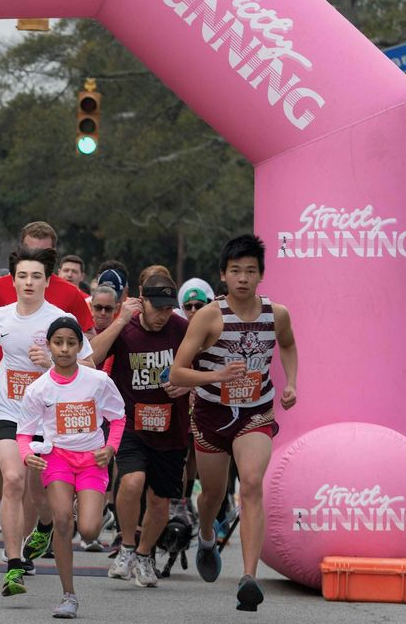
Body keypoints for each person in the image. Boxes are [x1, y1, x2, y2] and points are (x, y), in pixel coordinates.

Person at [171, 234, 298, 612]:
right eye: (236, 271)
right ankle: (206, 535)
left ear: (261, 275)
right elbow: (177, 373)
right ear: (223, 275)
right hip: (211, 415)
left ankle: (248, 578)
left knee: (252, 485)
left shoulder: (277, 314)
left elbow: (288, 344)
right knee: (211, 494)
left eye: (251, 271)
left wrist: (291, 383)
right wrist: (216, 377)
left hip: (255, 412)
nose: (243, 278)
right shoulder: (210, 315)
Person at [0, 246, 93, 597]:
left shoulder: (59, 320)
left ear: (47, 281)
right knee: (11, 479)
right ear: (13, 279)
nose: (28, 282)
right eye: (22, 275)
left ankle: (44, 525)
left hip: (47, 419)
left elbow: (92, 366)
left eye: (36, 276)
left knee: (42, 496)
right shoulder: (1, 315)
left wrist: (53, 363)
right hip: (10, 411)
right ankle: (13, 565)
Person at [19, 316, 125, 619]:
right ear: (49, 346)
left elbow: (118, 417)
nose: (64, 349)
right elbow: (24, 433)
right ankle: (68, 595)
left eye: (71, 343)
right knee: (63, 521)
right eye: (58, 342)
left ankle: (82, 505)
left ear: (80, 346)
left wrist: (110, 447)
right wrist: (27, 455)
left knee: (90, 531)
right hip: (58, 459)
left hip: (92, 460)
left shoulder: (98, 381)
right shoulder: (38, 389)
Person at [91, 273, 191, 588]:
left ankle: (145, 554)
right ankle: (128, 546)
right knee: (132, 482)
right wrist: (120, 321)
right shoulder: (126, 328)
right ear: (141, 301)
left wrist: (185, 383)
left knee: (160, 502)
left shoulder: (182, 329)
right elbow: (91, 359)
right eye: (156, 307)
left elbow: (199, 368)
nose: (163, 315)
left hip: (171, 428)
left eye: (167, 308)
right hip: (131, 423)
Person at [0, 222, 94, 337]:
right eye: (32, 251)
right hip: (3, 360)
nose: (37, 257)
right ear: (21, 250)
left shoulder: (70, 293)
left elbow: (89, 333)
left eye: (44, 252)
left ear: (54, 253)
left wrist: (63, 349)